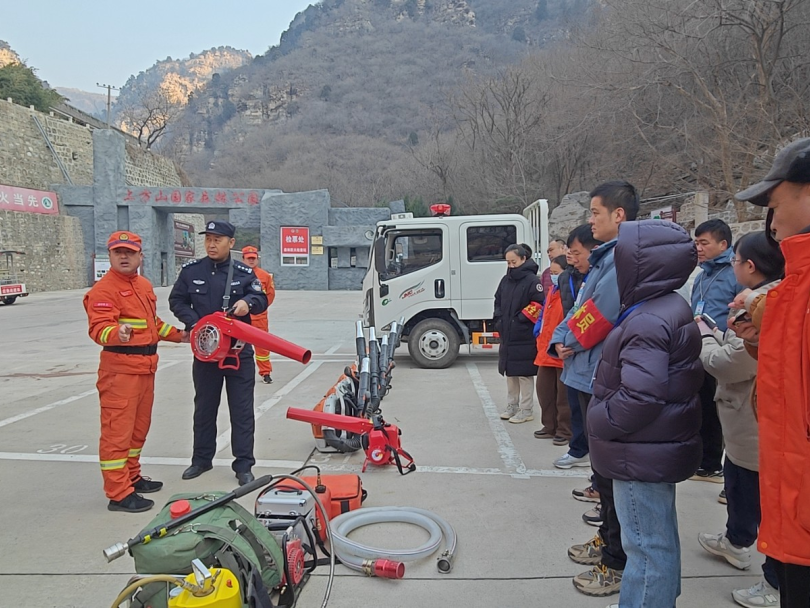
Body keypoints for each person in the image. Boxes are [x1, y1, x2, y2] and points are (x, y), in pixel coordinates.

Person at [590, 220, 703, 608]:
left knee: (645, 546)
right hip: (651, 448)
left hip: (638, 450)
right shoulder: (665, 306)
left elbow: (640, 397)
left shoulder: (648, 320)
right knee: (657, 541)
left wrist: (598, 419)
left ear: (642, 263)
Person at [549, 180, 639, 597]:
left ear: (618, 215)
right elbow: (580, 309)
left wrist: (571, 340)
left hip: (598, 373)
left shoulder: (620, 261)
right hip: (585, 371)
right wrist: (562, 335)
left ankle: (616, 561)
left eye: (596, 213)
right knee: (602, 474)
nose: (590, 220)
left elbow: (600, 315)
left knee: (610, 473)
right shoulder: (601, 262)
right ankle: (608, 542)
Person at [733, 137, 810, 608]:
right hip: (793, 509)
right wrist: (758, 338)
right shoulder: (791, 289)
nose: (772, 225)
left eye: (775, 207)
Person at [695, 231, 785, 608]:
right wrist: (720, 332)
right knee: (739, 486)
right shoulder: (760, 301)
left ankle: (774, 583)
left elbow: (731, 364)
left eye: (735, 261)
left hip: (757, 424)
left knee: (768, 505)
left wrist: (704, 337)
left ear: (750, 266)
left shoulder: (768, 306)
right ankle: (735, 540)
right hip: (746, 424)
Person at [83, 231, 186, 513]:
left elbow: (153, 324)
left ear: (140, 256)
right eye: (118, 252)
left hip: (145, 370)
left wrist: (180, 335)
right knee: (118, 434)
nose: (124, 257)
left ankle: (131, 476)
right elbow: (98, 329)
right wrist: (118, 332)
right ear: (111, 256)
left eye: (129, 252)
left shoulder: (142, 284)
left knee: (138, 431)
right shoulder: (104, 290)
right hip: (120, 374)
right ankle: (118, 493)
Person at [169, 220, 268, 486]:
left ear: (231, 243)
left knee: (242, 410)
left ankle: (244, 464)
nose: (212, 244)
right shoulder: (192, 271)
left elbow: (261, 299)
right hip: (206, 353)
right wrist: (195, 322)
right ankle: (201, 460)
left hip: (238, 353)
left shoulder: (244, 272)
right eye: (208, 239)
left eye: (218, 239)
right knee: (204, 407)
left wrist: (247, 303)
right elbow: (176, 300)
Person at [691, 219, 744, 482]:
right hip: (700, 352)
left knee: (725, 411)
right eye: (696, 242)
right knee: (703, 408)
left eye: (704, 243)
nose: (698, 248)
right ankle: (708, 462)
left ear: (723, 244)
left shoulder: (736, 274)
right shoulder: (702, 275)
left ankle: (722, 466)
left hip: (727, 353)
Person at [494, 243, 544, 424]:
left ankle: (526, 409)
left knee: (524, 374)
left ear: (523, 259)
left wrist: (520, 321)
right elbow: (497, 300)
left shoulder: (532, 281)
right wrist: (499, 320)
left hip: (523, 335)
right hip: (507, 333)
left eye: (513, 261)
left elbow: (538, 304)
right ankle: (512, 405)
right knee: (510, 373)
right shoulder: (506, 280)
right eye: (508, 262)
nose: (510, 265)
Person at [532, 255, 571, 445]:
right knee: (544, 391)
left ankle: (564, 431)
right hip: (545, 350)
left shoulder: (569, 292)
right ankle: (549, 426)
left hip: (561, 351)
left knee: (563, 397)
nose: (553, 277)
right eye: (552, 273)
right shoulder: (552, 291)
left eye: (556, 273)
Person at [241, 246, 276, 384]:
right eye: (248, 258)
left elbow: (270, 295)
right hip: (241, 318)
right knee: (239, 347)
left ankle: (265, 372)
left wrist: (261, 307)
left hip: (259, 318)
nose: (251, 261)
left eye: (253, 259)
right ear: (243, 258)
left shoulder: (264, 276)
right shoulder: (236, 274)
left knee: (262, 346)